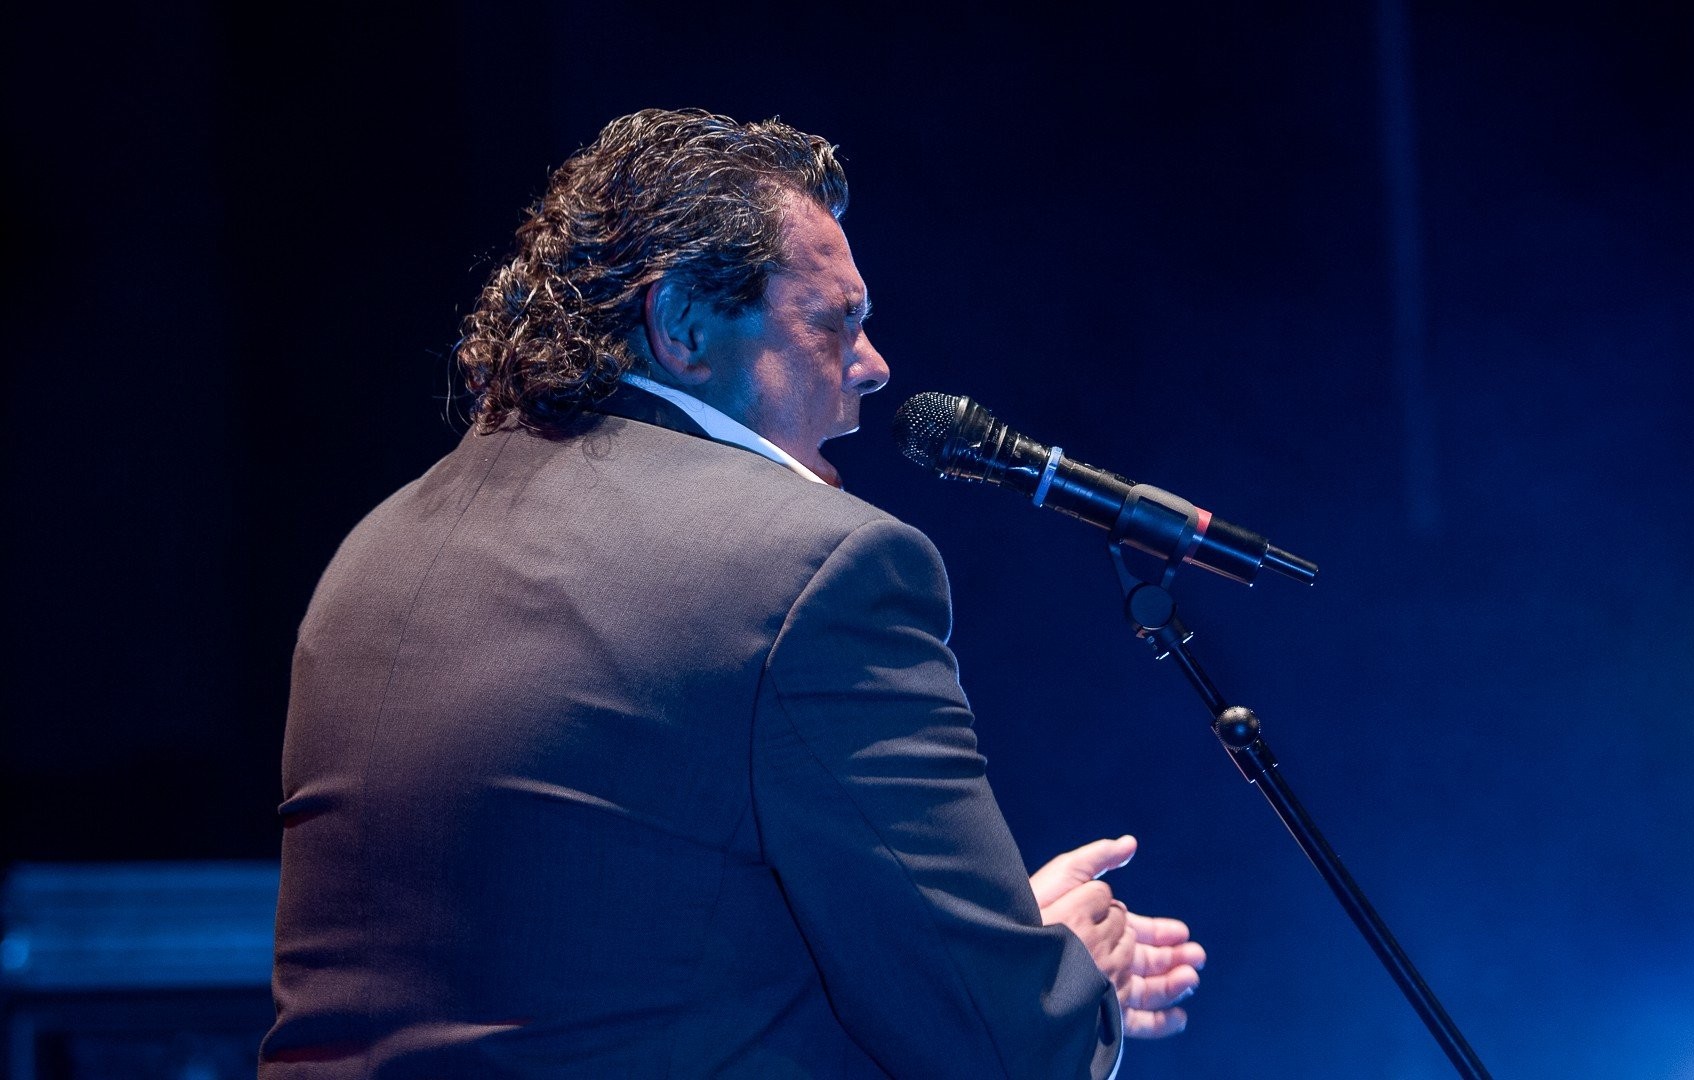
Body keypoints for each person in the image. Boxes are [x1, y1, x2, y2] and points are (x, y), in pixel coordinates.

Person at [263, 108, 1204, 1078]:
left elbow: (598, 957)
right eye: (833, 321)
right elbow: (998, 1045)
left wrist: (990, 957)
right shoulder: (818, 564)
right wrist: (1057, 974)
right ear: (683, 326)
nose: (875, 367)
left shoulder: (372, 552)